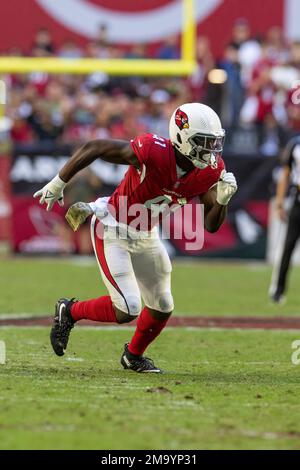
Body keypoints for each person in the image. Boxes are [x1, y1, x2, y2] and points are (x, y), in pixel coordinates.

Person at [33, 103, 237, 373]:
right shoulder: (154, 151)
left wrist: (222, 201)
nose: (211, 151)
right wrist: (59, 181)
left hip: (146, 232)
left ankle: (133, 355)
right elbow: (95, 147)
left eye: (215, 143)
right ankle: (70, 311)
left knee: (163, 304)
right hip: (112, 227)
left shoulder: (210, 170)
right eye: (204, 142)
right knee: (127, 308)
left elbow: (211, 225)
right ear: (182, 138)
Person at [269, 135, 300, 303]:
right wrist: (280, 202)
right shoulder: (295, 144)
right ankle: (278, 290)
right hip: (297, 202)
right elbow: (285, 174)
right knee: (287, 247)